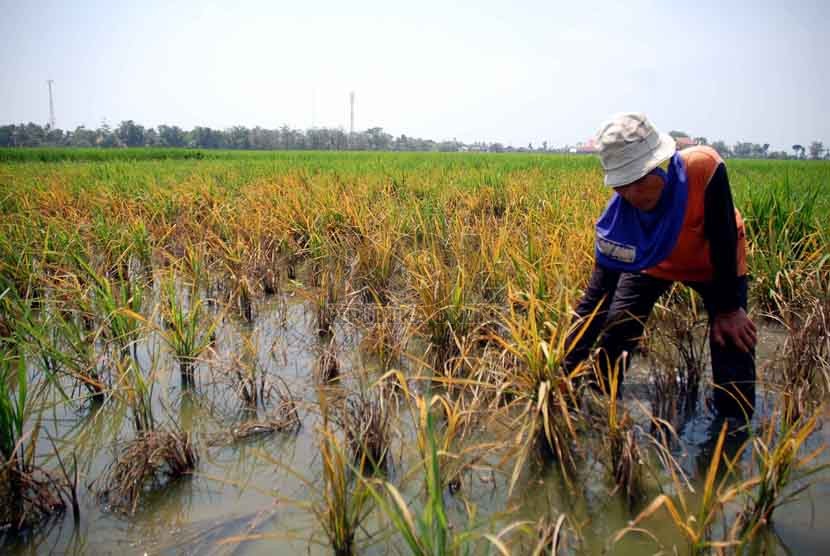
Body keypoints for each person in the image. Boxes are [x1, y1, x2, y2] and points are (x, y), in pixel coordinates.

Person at [563, 113, 757, 420]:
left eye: (638, 180)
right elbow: (595, 303)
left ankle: (732, 437)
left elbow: (723, 234)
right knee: (617, 328)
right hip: (653, 264)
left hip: (713, 261)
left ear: (658, 166)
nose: (631, 194)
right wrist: (559, 370)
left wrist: (729, 308)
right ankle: (602, 408)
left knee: (732, 344)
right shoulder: (617, 227)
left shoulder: (702, 167)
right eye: (622, 184)